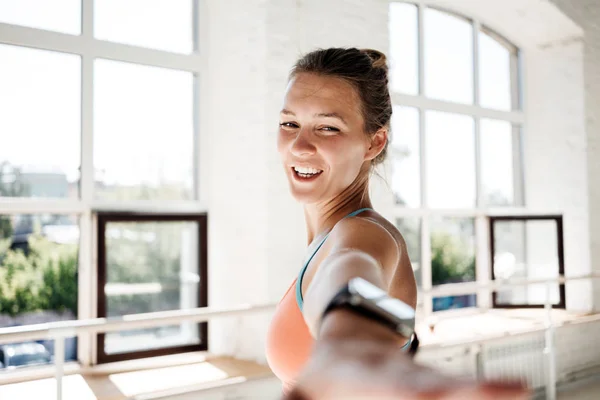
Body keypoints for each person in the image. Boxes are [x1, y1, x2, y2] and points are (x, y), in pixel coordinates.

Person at [265, 47, 528, 400]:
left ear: (374, 142)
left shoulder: (367, 234)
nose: (300, 145)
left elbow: (351, 270)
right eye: (289, 123)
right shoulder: (327, 237)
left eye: (328, 127)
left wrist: (351, 344)